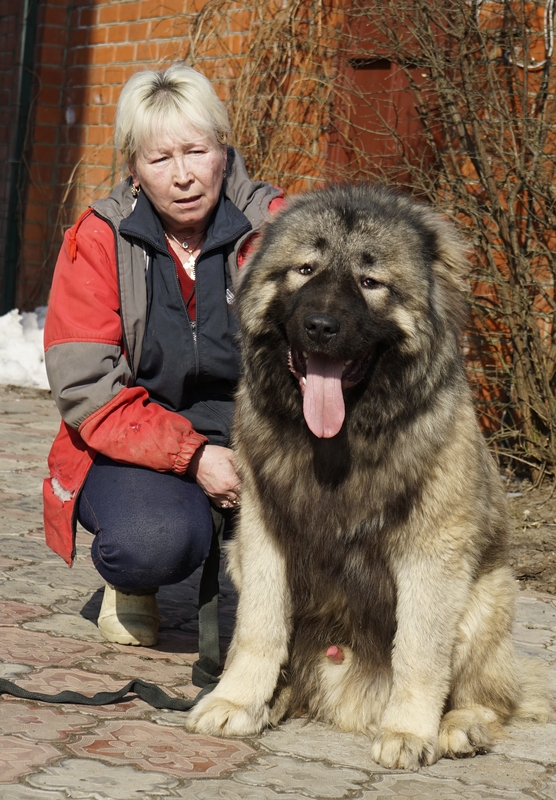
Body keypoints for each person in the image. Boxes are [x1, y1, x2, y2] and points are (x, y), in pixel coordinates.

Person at [43, 64, 284, 647]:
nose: (182, 176)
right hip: (142, 447)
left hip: (264, 437)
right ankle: (138, 579)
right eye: (160, 160)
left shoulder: (277, 228)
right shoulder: (99, 239)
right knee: (150, 542)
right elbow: (87, 388)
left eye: (196, 151)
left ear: (223, 151)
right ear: (133, 168)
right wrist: (197, 458)